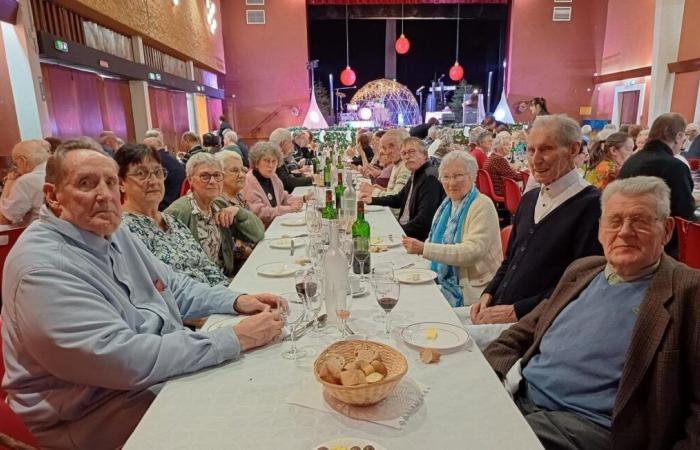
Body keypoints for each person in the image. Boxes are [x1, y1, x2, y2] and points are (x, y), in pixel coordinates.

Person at [1, 139, 284, 449]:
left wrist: (236, 300)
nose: (104, 195)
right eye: (86, 183)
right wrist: (235, 338)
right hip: (89, 415)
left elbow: (172, 285)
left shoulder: (111, 230)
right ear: (53, 197)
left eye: (109, 182)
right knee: (244, 422)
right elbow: (122, 360)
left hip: (144, 382)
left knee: (267, 380)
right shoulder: (42, 268)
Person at [484, 176, 699, 450]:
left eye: (641, 221)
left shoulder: (689, 292)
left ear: (667, 230)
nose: (624, 232)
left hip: (589, 426)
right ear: (600, 230)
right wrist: (489, 375)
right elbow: (522, 332)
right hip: (521, 395)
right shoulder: (583, 270)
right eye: (614, 221)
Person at [471, 115, 603, 325]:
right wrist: (488, 293)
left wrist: (517, 311)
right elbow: (510, 261)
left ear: (574, 149)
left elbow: (581, 284)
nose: (535, 160)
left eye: (546, 149)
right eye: (531, 150)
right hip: (498, 311)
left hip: (535, 324)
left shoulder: (593, 206)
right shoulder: (530, 198)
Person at [116, 144, 230, 286]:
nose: (153, 181)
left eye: (158, 172)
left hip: (218, 297)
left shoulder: (173, 222)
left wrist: (233, 296)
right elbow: (158, 290)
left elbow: (207, 267)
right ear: (121, 183)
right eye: (141, 174)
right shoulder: (121, 231)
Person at [402, 151, 501, 306]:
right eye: (446, 177)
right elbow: (433, 238)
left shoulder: (482, 205)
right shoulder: (447, 205)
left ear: (472, 176)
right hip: (442, 279)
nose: (451, 183)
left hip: (473, 291)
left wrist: (424, 249)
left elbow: (471, 252)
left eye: (458, 175)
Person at [166, 153, 264, 276]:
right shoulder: (179, 212)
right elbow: (171, 269)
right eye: (204, 176)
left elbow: (258, 234)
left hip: (224, 278)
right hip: (201, 288)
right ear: (190, 180)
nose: (212, 181)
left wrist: (238, 211)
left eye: (217, 175)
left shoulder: (219, 205)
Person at [618, 113, 695, 258]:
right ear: (678, 136)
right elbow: (684, 213)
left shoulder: (632, 160)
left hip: (626, 236)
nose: (683, 143)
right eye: (683, 138)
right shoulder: (675, 166)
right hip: (659, 247)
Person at [362, 137, 445, 241]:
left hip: (417, 240)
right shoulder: (416, 174)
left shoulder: (429, 178)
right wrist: (372, 200)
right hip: (406, 229)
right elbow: (399, 199)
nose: (407, 156)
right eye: (404, 153)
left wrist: (396, 231)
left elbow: (423, 221)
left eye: (412, 152)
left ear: (424, 155)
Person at [243, 141, 307, 227]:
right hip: (263, 231)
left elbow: (284, 197)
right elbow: (261, 213)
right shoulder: (249, 182)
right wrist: (289, 209)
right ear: (256, 163)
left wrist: (303, 199)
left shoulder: (273, 177)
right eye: (266, 161)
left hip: (277, 224)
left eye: (274, 161)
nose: (271, 165)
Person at [0, 140, 48, 225]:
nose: (16, 170)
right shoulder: (58, 169)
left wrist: (9, 183)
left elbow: (4, 219)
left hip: (42, 233)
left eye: (16, 164)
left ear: (22, 160)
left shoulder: (26, 181)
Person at [357, 128, 411, 203]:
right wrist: (382, 189)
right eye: (385, 148)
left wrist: (373, 191)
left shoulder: (406, 167)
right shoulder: (397, 164)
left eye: (391, 146)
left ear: (402, 146)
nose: (387, 151)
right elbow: (396, 192)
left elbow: (397, 200)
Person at [143, 129, 186, 210]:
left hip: (165, 206)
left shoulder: (156, 163)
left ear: (149, 149)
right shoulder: (173, 159)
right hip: (178, 202)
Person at [269, 128, 312, 192]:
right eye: (290, 142)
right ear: (283, 143)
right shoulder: (273, 159)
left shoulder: (276, 156)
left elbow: (288, 176)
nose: (292, 145)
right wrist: (311, 179)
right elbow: (288, 183)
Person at [484, 131, 522, 197]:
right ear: (501, 146)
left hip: (495, 190)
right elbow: (515, 177)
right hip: (502, 192)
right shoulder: (499, 160)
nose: (510, 147)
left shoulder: (492, 157)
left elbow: (507, 173)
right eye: (508, 145)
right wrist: (527, 174)